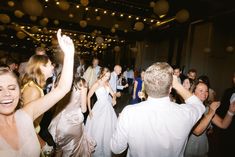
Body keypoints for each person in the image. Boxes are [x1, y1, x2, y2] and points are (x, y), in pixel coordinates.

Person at [0, 29, 74, 157]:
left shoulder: (24, 116)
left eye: (12, 88)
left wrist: (69, 54)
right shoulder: (33, 90)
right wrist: (43, 144)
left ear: (18, 90)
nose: (7, 94)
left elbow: (63, 88)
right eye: (0, 89)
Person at [110, 62, 205, 157]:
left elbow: (116, 148)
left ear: (146, 87)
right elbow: (198, 105)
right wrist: (177, 85)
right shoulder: (185, 113)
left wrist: (120, 122)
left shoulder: (129, 113)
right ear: (170, 88)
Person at [184, 81, 235, 157]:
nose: (205, 93)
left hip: (203, 147)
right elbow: (197, 131)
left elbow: (223, 124)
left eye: (206, 91)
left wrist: (230, 111)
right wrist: (211, 111)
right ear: (193, 93)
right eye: (201, 90)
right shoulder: (189, 108)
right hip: (190, 148)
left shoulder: (207, 109)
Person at [49, 77, 95, 157]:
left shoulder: (60, 81)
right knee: (74, 151)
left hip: (58, 124)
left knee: (58, 150)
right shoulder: (81, 83)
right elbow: (84, 110)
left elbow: (52, 106)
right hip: (73, 124)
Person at [85, 67, 117, 157]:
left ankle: (106, 147)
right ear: (102, 74)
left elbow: (113, 93)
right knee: (98, 129)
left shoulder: (107, 83)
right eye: (106, 76)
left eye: (109, 76)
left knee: (108, 128)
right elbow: (88, 96)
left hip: (107, 107)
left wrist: (114, 99)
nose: (107, 78)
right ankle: (96, 149)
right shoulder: (97, 83)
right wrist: (90, 110)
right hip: (99, 107)